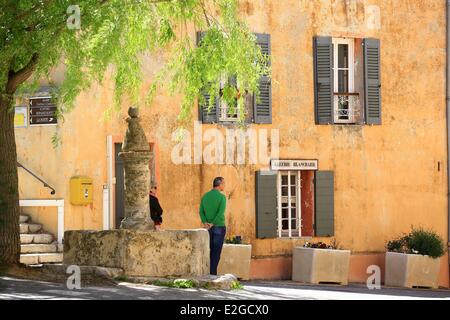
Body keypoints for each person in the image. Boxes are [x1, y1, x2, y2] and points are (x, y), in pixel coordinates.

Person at [199, 177, 227, 275]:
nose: (224, 185)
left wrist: (205, 222)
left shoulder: (205, 196)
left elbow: (201, 211)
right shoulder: (222, 197)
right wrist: (213, 223)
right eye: (224, 183)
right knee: (216, 253)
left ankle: (208, 273)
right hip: (218, 226)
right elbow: (220, 212)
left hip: (207, 228)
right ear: (220, 184)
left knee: (209, 251)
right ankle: (212, 274)